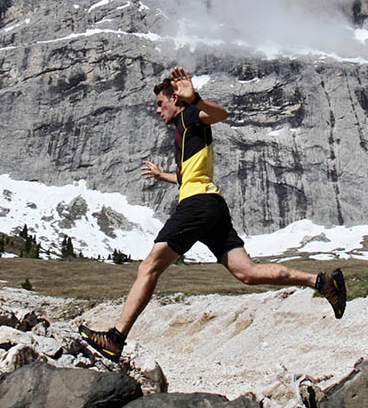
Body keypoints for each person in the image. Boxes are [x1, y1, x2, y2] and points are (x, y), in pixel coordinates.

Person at [79, 67, 347, 360]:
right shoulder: (184, 130)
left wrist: (196, 99)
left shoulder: (188, 116)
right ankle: (320, 282)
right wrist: (162, 176)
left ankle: (115, 339)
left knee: (149, 268)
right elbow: (186, 177)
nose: (157, 110)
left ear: (175, 99)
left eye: (160, 103)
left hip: (197, 205)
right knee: (247, 273)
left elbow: (220, 115)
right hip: (213, 206)